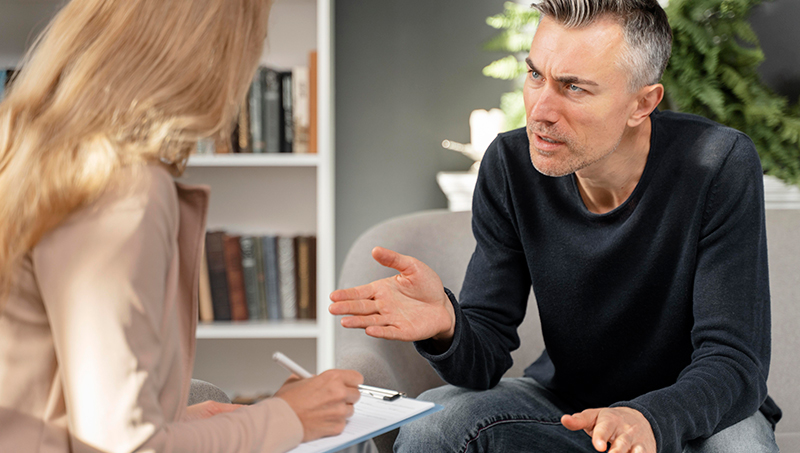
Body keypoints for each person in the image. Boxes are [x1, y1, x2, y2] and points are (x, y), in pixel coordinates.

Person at [329, 0, 783, 452]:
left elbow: (733, 362)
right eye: (535, 76)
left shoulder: (717, 164)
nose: (541, 110)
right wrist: (448, 325)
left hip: (693, 410)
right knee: (432, 425)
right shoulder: (510, 165)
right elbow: (485, 357)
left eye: (574, 87)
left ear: (642, 103)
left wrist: (648, 419)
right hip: (566, 404)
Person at [0, 1, 365, 452]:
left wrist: (183, 423)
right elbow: (128, 446)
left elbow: (65, 399)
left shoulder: (27, 150)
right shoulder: (122, 189)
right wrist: (290, 417)